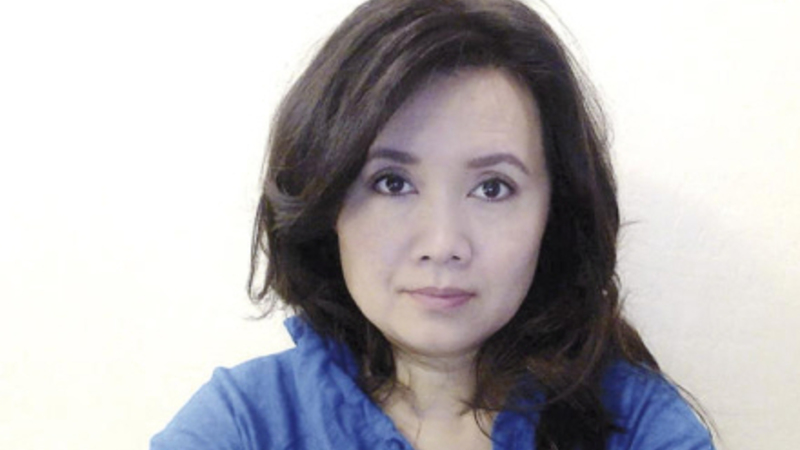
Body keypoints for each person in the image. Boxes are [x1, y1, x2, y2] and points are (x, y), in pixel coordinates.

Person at [151, 0, 716, 449]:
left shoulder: (641, 429)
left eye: (492, 188)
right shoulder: (243, 426)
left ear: (555, 212)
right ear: (327, 201)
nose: (443, 244)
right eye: (392, 183)